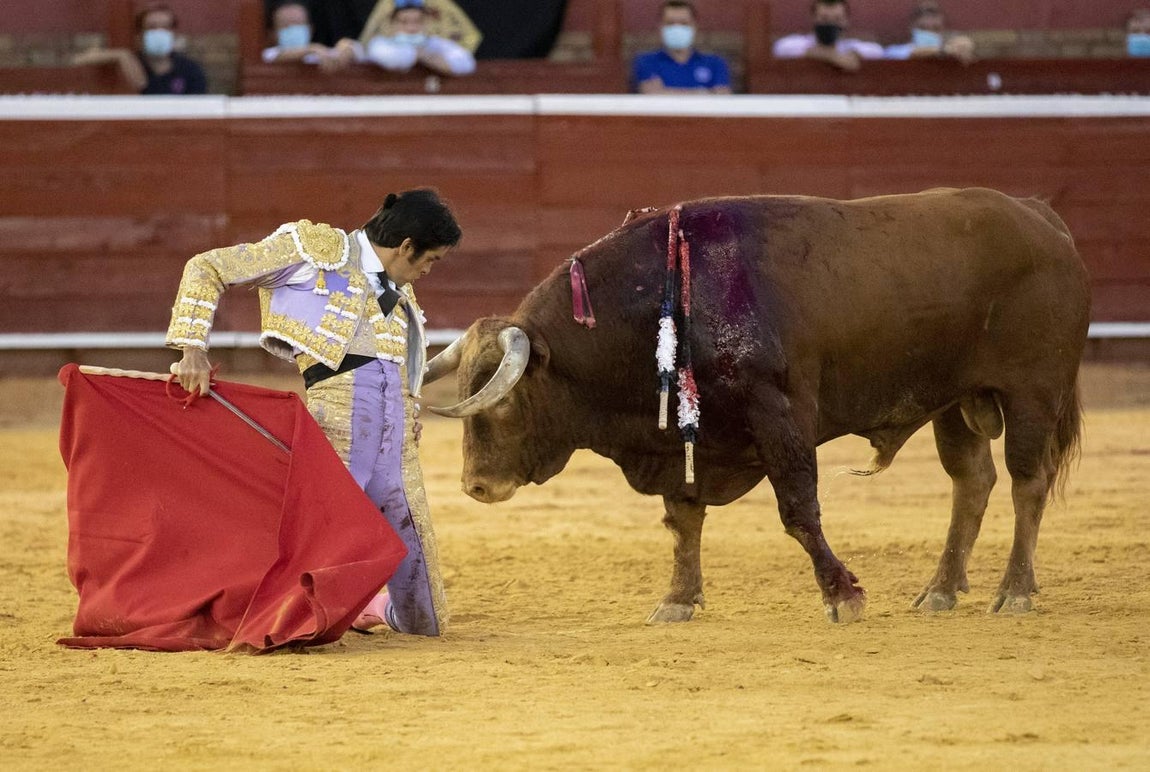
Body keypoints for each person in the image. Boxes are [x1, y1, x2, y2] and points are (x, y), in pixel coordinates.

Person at [168, 189, 461, 637]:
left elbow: (404, 364)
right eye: (430, 259)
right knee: (303, 600)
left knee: (428, 622)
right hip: (337, 426)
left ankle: (376, 609)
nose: (427, 270)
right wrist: (192, 349)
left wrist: (410, 405)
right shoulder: (312, 250)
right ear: (406, 246)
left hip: (397, 444)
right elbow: (206, 266)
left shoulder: (403, 296)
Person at [72, 2, 207, 95]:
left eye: (165, 27)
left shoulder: (191, 70)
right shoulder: (129, 64)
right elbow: (76, 61)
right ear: (139, 34)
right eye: (152, 27)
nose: (159, 32)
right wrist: (121, 54)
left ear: (173, 33)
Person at [631, 0, 732, 94]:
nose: (677, 28)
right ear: (660, 27)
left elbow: (722, 97)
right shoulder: (646, 62)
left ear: (694, 27)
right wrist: (704, 93)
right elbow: (651, 94)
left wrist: (666, 92)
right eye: (670, 23)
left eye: (684, 23)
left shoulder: (715, 63)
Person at [360, 0, 476, 77]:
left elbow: (467, 63)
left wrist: (438, 61)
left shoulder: (433, 43)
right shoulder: (379, 43)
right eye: (404, 22)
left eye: (417, 21)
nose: (411, 28)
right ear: (392, 24)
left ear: (426, 23)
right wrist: (420, 55)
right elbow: (389, 58)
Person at [772, 0, 884, 72]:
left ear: (846, 21)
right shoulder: (801, 43)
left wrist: (854, 54)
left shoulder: (849, 46)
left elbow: (878, 52)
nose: (830, 24)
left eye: (837, 19)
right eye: (824, 18)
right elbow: (780, 48)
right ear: (813, 18)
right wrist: (830, 55)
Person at [261, 0, 362, 73]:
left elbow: (357, 50)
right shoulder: (270, 52)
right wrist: (311, 49)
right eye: (287, 26)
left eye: (298, 25)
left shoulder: (319, 54)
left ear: (310, 30)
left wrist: (347, 47)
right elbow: (275, 56)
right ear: (273, 34)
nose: (294, 30)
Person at [884, 2, 975, 64]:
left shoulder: (952, 46)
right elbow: (906, 53)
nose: (929, 33)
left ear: (943, 30)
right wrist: (945, 51)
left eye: (935, 28)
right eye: (923, 28)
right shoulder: (895, 50)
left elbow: (964, 42)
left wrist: (963, 45)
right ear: (911, 28)